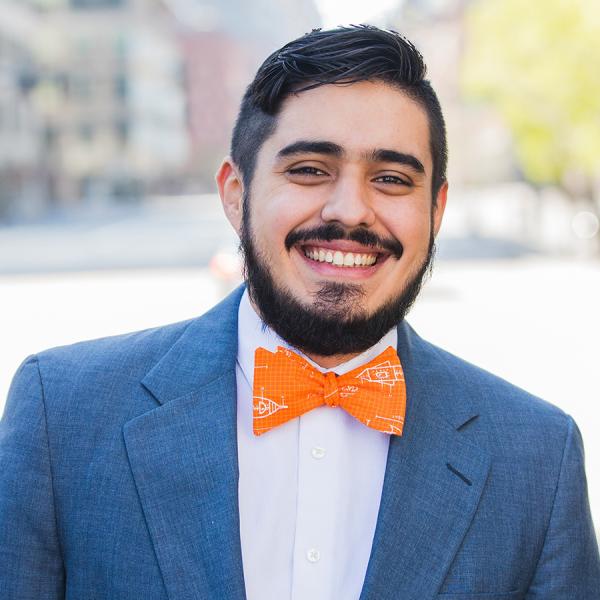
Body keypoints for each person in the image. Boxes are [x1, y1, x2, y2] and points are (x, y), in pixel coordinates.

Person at [1, 25, 598, 600]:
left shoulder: (540, 459)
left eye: (391, 178)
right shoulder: (63, 416)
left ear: (436, 210)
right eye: (310, 169)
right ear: (236, 194)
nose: (351, 211)